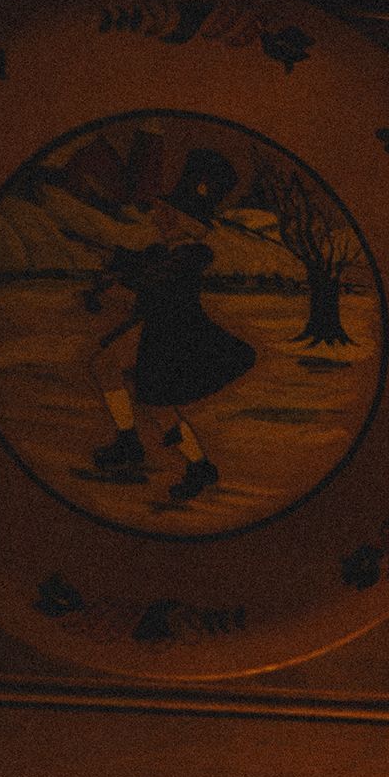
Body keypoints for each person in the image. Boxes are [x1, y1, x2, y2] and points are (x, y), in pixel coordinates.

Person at [83, 148, 255, 510]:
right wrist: (112, 260)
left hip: (175, 336)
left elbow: (156, 277)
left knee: (160, 408)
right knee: (106, 365)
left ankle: (198, 465)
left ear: (186, 220)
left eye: (168, 211)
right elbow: (141, 262)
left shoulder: (192, 255)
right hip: (155, 328)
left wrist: (123, 280)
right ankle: (129, 441)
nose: (159, 214)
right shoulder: (167, 251)